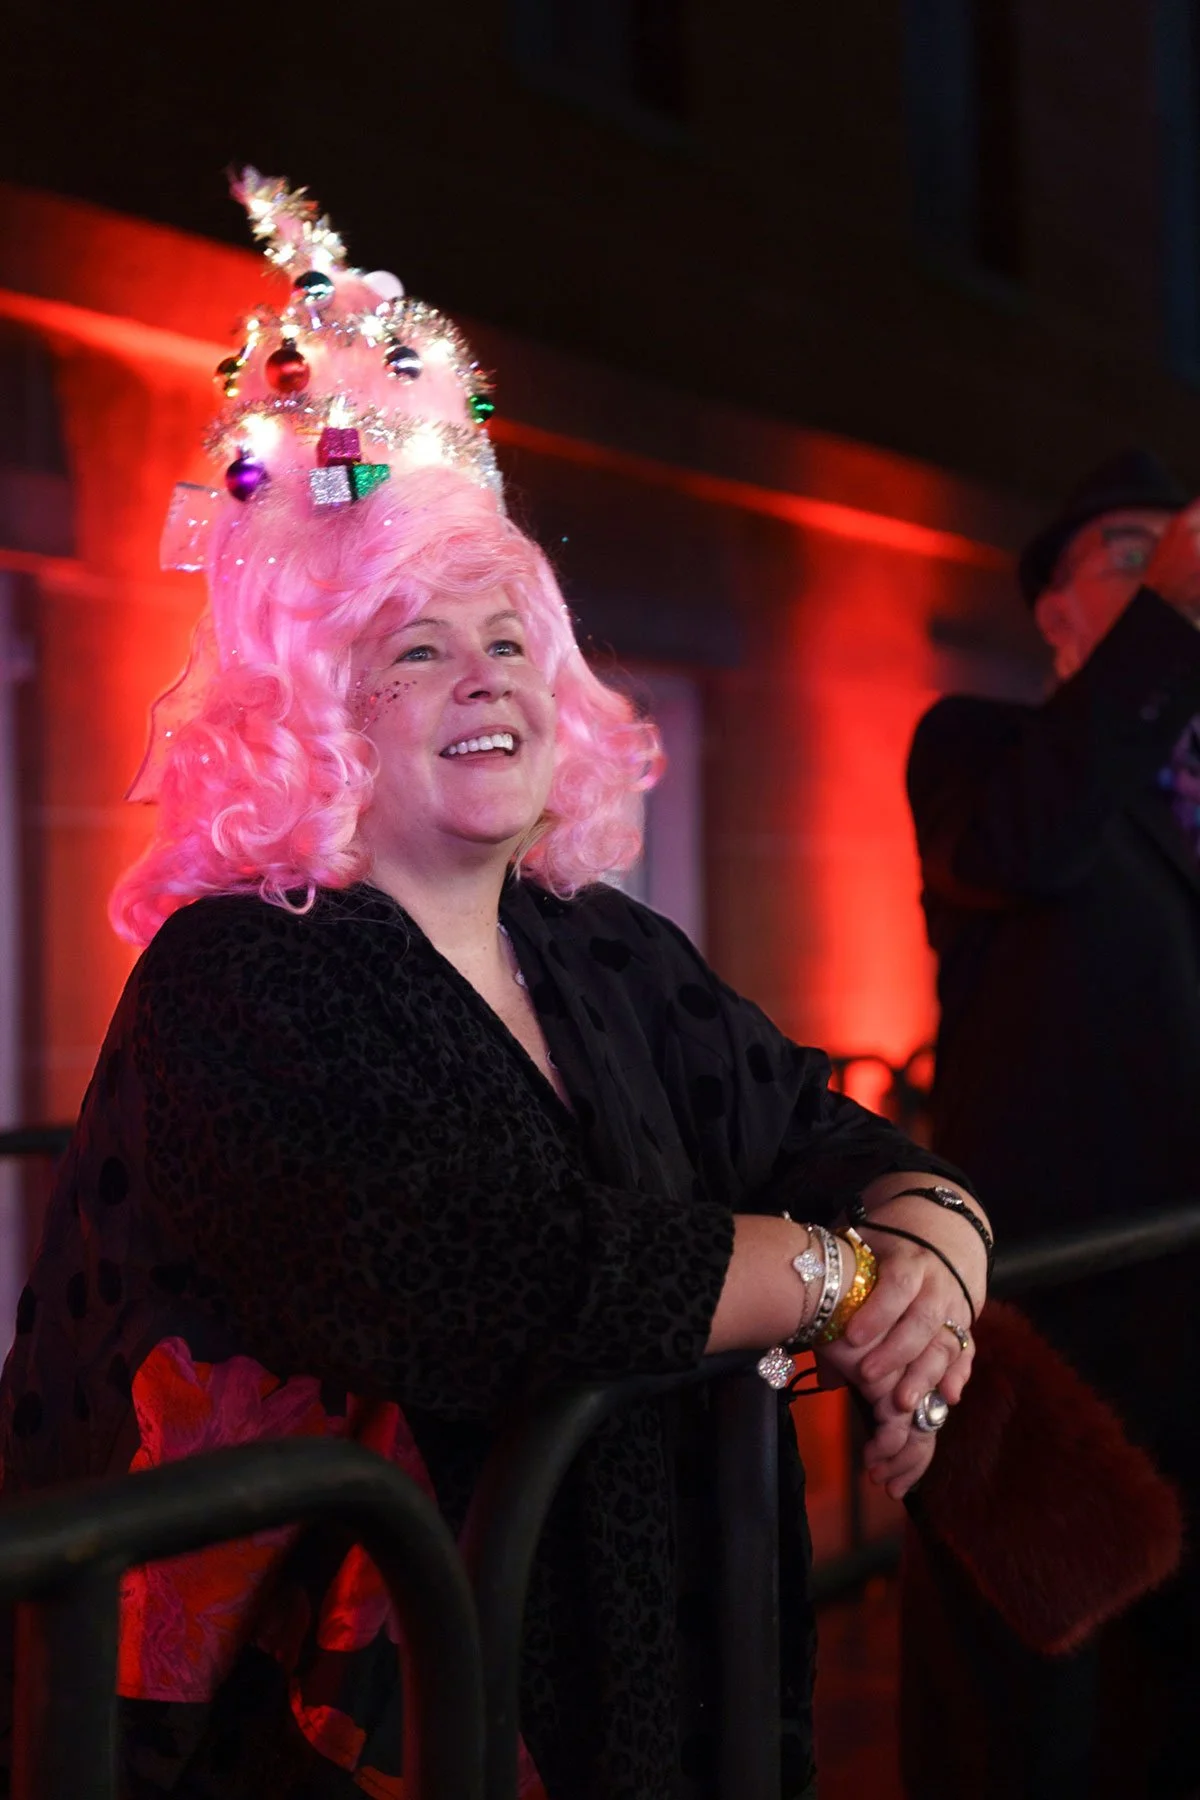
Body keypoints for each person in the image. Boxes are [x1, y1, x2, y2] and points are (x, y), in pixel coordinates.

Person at [0, 171, 991, 1800]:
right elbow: (484, 1271)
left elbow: (819, 1125)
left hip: (660, 1707)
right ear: (321, 712)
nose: (486, 682)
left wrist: (935, 1257)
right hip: (343, 1740)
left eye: (512, 641)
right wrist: (840, 1281)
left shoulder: (597, 942)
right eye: (419, 650)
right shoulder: (236, 973)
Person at [906, 448, 1200, 1797]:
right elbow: (1029, 847)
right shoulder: (978, 748)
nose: (1161, 572)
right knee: (1028, 1722)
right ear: (1055, 610)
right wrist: (1172, 617)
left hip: (1189, 1309)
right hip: (1054, 1311)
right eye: (1126, 554)